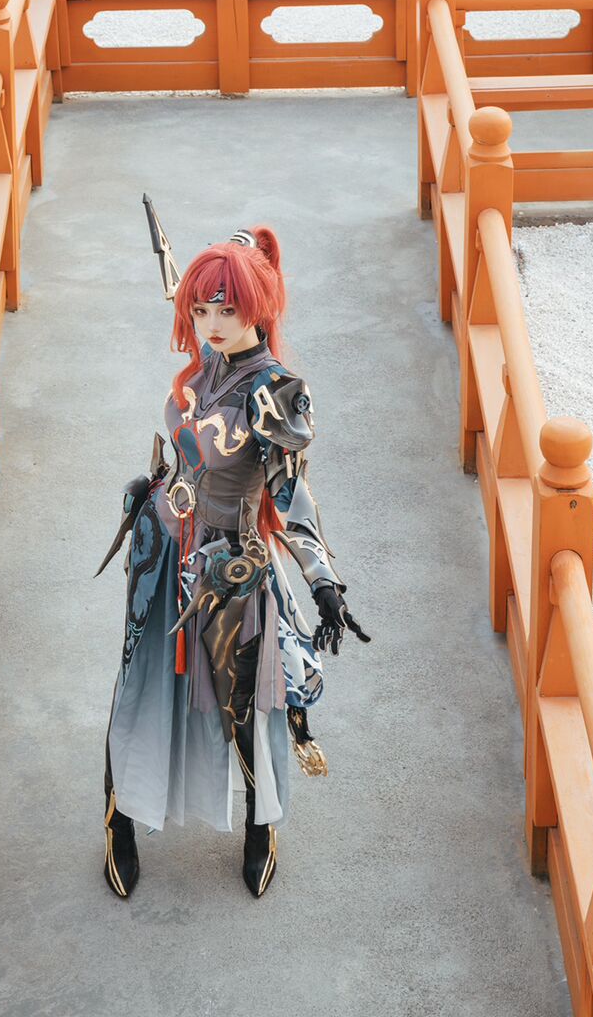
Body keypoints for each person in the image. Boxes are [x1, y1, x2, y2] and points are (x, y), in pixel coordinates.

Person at [98, 222, 370, 899]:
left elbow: (291, 491)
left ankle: (260, 825)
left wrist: (323, 580)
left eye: (226, 309)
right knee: (138, 688)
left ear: (259, 306)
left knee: (245, 706)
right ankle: (117, 821)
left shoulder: (276, 391)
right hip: (164, 550)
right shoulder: (206, 363)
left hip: (231, 568)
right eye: (200, 310)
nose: (211, 325)